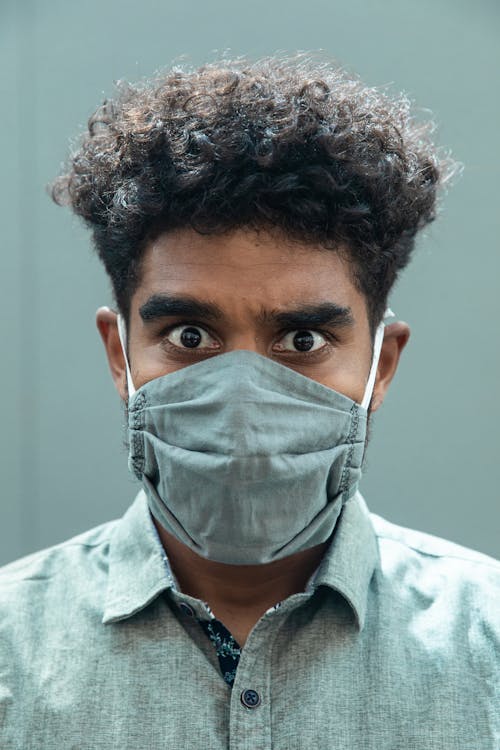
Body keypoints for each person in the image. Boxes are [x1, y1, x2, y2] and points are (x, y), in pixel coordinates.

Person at [0, 54, 498, 749]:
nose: (243, 400)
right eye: (190, 334)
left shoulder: (489, 645)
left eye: (301, 339)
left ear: (381, 366)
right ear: (120, 355)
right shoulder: (9, 651)